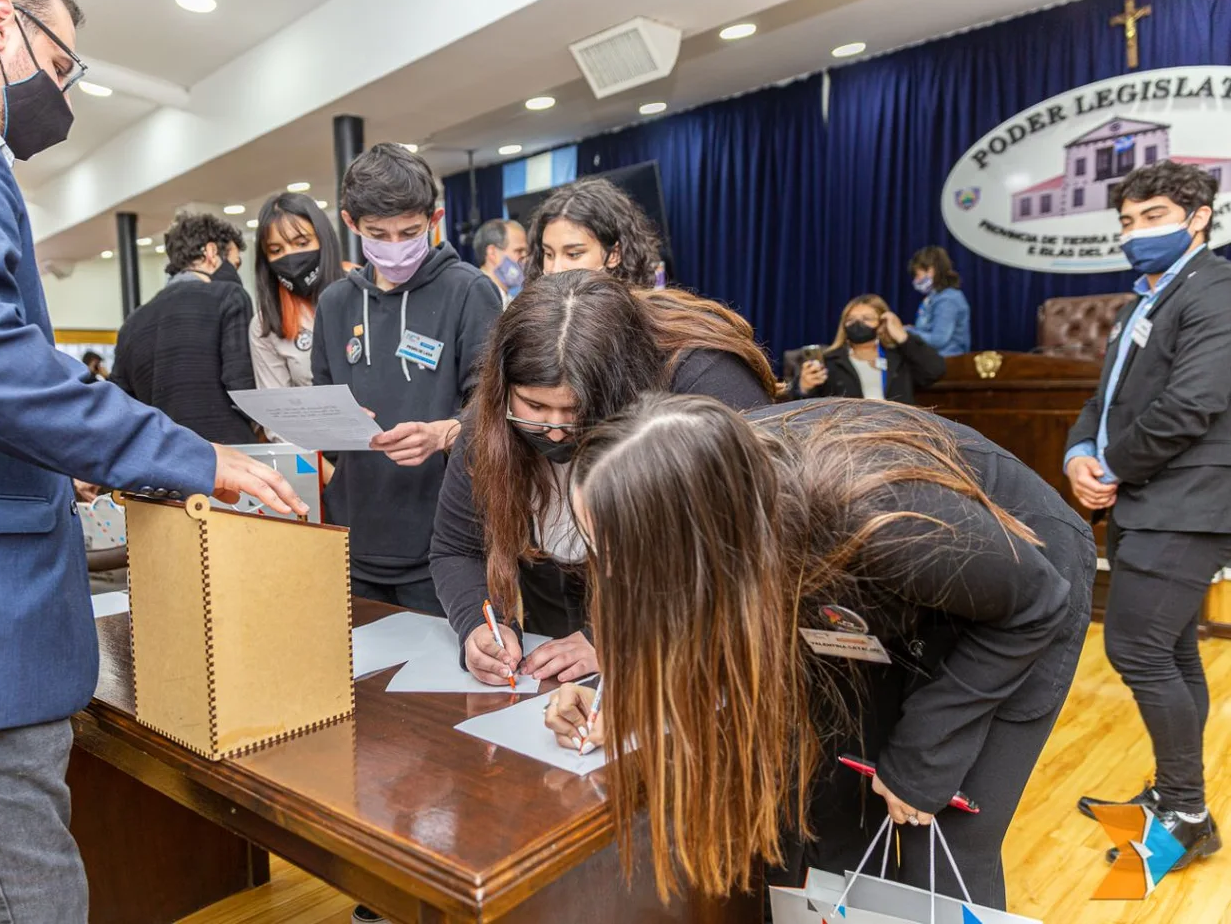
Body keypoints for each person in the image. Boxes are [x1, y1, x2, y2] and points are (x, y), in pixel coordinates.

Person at [0, 0, 304, 922]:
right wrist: (178, 453)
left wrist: (52, 460)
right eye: (62, 65)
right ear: (1, 22)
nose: (64, 95)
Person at [548, 393, 1094, 909]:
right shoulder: (714, 490)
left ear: (693, 532)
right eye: (596, 543)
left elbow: (1033, 604)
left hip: (1016, 596)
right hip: (883, 601)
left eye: (620, 546)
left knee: (936, 842)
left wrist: (923, 757)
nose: (610, 568)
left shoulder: (878, 515)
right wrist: (621, 697)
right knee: (831, 801)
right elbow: (688, 616)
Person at [431, 270, 776, 687]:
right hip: (571, 614)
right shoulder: (492, 417)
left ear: (619, 388)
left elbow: (739, 554)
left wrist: (615, 637)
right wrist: (478, 624)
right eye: (534, 406)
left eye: (575, 410)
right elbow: (456, 547)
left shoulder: (704, 385)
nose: (554, 430)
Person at [1065, 160, 1231, 868]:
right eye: (1128, 221)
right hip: (1146, 499)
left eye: (1154, 217)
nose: (1137, 233)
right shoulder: (1145, 297)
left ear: (1197, 218)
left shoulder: (1216, 289)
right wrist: (1078, 449)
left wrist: (1114, 466)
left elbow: (1192, 404)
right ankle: (1175, 794)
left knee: (1134, 647)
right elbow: (1107, 399)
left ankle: (1186, 814)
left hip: (1187, 503)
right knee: (1171, 649)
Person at [311, 143, 502, 614]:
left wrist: (442, 434)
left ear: (434, 218)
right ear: (351, 224)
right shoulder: (335, 303)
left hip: (447, 544)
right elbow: (323, 401)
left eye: (409, 232)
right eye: (378, 233)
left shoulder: (469, 291)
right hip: (354, 539)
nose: (394, 246)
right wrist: (334, 422)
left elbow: (497, 409)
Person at [111, 212, 258, 444]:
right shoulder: (229, 296)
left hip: (163, 462)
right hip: (227, 458)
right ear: (211, 253)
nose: (234, 272)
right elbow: (242, 386)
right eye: (234, 263)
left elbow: (120, 406)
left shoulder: (131, 323)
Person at [250, 191, 345, 389]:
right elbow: (279, 407)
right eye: (276, 250)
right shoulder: (266, 324)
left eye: (302, 243)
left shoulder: (362, 292)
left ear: (323, 239)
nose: (290, 256)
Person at [795, 293, 945, 405]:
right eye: (851, 319)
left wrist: (903, 337)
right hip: (848, 435)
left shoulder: (900, 357)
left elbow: (935, 370)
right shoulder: (830, 361)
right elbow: (804, 405)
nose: (858, 324)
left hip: (898, 432)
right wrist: (804, 387)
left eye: (867, 319)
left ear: (882, 324)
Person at [524, 177, 661, 287]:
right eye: (549, 254)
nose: (555, 269)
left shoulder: (641, 319)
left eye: (573, 254)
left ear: (614, 254)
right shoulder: (534, 317)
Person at [906, 245, 971, 356]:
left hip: (949, 364)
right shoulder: (934, 297)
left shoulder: (948, 299)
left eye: (917, 275)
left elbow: (938, 340)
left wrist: (907, 333)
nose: (916, 280)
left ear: (931, 270)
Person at [473, 217, 529, 307]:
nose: (526, 259)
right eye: (519, 251)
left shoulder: (509, 301)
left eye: (527, 252)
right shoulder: (475, 299)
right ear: (492, 253)